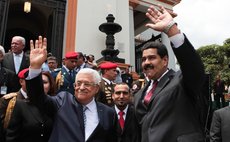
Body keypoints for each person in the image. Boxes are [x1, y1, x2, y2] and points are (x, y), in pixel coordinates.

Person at [134, 5, 206, 142]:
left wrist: (172, 30)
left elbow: (194, 68)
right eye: (143, 59)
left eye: (152, 58)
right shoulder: (138, 95)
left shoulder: (181, 81)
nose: (146, 62)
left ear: (165, 60)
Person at [25, 36, 118, 142]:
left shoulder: (108, 113)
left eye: (87, 84)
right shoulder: (63, 101)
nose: (81, 88)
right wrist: (35, 67)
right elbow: (38, 97)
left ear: (96, 88)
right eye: (78, 83)